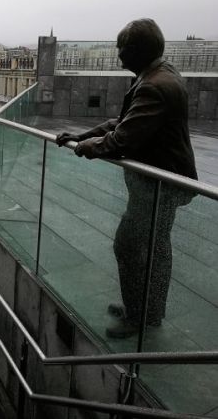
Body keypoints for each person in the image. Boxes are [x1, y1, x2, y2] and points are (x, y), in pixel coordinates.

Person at [56, 18, 197, 339]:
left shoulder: (154, 85)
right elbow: (121, 122)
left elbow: (121, 140)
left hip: (160, 185)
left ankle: (140, 317)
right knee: (154, 247)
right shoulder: (161, 74)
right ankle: (145, 310)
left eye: (121, 49)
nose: (118, 56)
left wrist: (85, 147)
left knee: (132, 246)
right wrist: (82, 135)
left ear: (134, 51)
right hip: (160, 182)